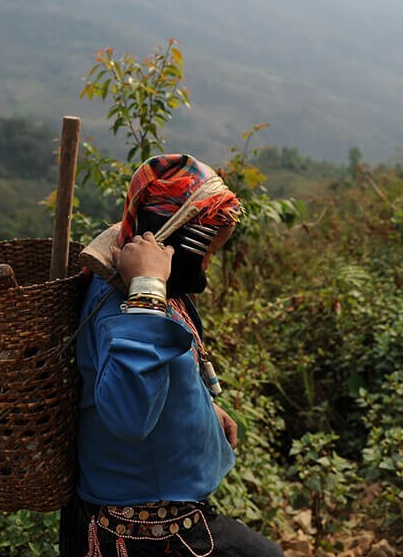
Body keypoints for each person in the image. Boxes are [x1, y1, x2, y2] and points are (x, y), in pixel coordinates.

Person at [60, 154, 283, 557]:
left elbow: (158, 364)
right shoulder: (126, 304)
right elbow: (130, 415)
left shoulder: (153, 296)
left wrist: (202, 410)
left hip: (167, 498)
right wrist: (147, 287)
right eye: (206, 251)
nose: (207, 266)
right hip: (140, 522)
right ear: (173, 241)